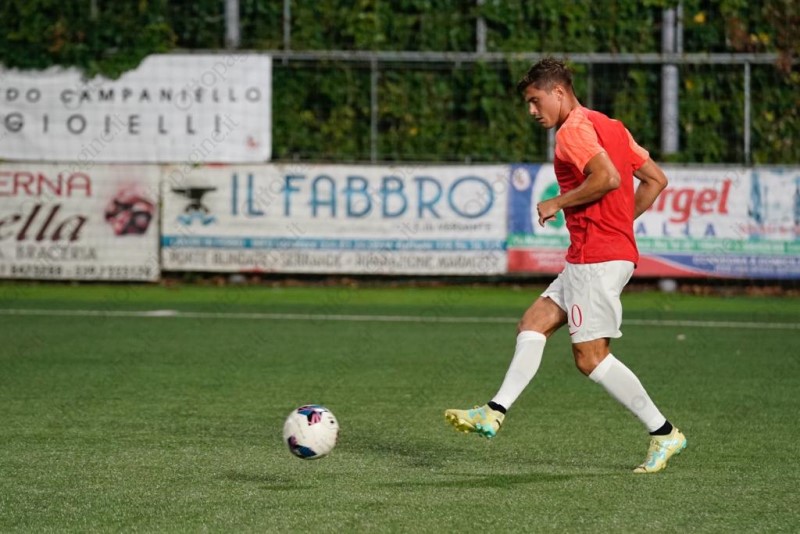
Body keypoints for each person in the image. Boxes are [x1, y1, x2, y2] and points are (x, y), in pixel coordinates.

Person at [444, 58, 686, 474]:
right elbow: (655, 180)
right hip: (594, 254)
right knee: (533, 324)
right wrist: (618, 224)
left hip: (597, 258)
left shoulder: (571, 131)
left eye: (535, 100)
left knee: (591, 359)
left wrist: (557, 201)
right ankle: (494, 411)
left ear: (558, 92)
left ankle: (663, 432)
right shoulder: (611, 125)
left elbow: (607, 177)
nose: (532, 111)